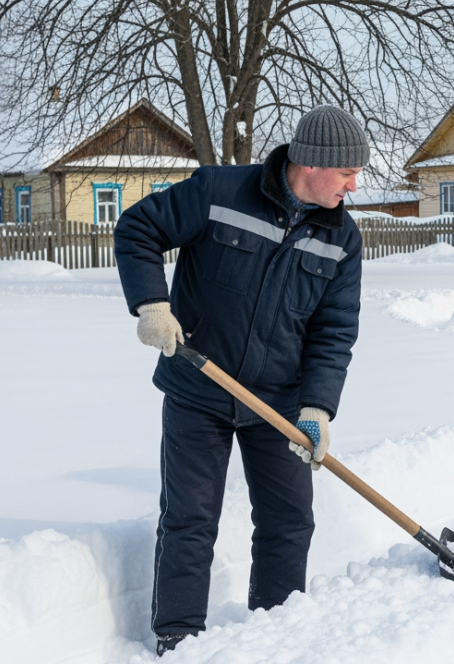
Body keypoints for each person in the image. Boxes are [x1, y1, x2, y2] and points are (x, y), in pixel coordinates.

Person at [113, 105, 367, 655]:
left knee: (289, 524)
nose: (355, 183)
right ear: (312, 164)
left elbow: (333, 331)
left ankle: (274, 634)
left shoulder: (343, 239)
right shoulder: (220, 190)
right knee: (189, 519)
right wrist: (152, 303)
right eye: (347, 171)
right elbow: (138, 226)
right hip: (197, 384)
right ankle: (177, 639)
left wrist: (318, 408)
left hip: (279, 401)